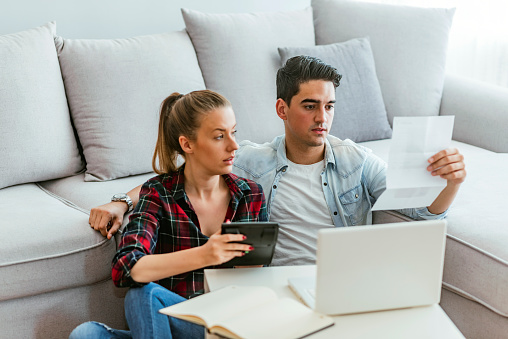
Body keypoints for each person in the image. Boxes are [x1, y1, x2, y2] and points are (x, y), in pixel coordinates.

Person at [90, 56, 466, 267]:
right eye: (310, 106)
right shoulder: (254, 160)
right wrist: (122, 202)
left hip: (339, 282)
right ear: (282, 109)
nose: (323, 117)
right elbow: (182, 178)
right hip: (272, 282)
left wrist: (450, 183)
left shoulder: (358, 162)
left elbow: (423, 213)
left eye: (329, 106)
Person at [70, 90, 267, 338]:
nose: (234, 145)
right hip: (168, 325)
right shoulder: (158, 194)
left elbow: (256, 280)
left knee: (144, 294)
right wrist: (205, 255)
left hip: (222, 326)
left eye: (233, 132)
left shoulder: (250, 195)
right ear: (187, 144)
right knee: (86, 334)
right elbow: (125, 268)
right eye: (219, 136)